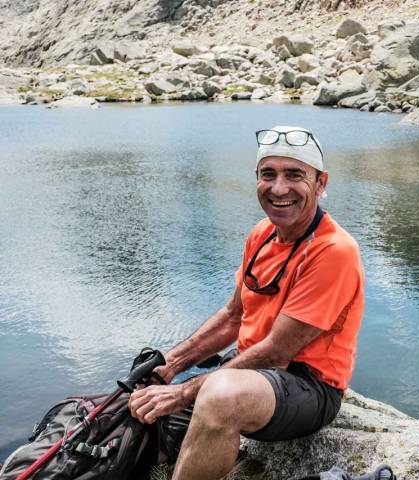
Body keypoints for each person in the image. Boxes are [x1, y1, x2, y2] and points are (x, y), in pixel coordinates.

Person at [128, 126, 365, 480]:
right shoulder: (261, 234)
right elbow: (231, 317)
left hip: (308, 387)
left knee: (220, 395)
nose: (279, 188)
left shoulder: (334, 251)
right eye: (268, 174)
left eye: (294, 175)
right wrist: (169, 365)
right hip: (252, 371)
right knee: (144, 403)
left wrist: (183, 394)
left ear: (320, 182)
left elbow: (276, 353)